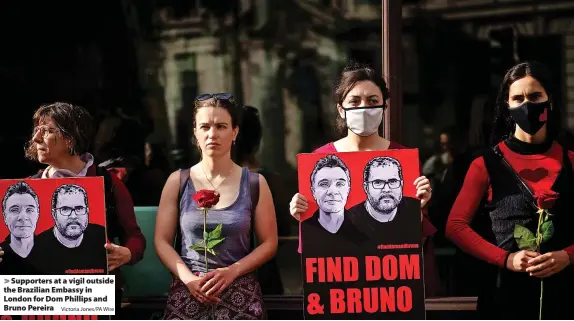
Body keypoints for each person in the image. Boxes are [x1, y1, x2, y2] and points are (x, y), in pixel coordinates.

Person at [289, 61, 439, 295]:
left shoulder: (403, 161)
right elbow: (314, 249)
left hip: (390, 288)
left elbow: (415, 243)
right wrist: (303, 214)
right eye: (355, 101)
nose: (364, 108)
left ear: (384, 107)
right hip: (340, 290)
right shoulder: (320, 160)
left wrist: (417, 210)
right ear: (341, 109)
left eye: (372, 101)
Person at [446, 61, 574, 319]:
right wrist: (505, 258)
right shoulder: (485, 164)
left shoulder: (571, 160)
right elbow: (456, 226)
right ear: (507, 105)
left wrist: (569, 255)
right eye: (518, 98)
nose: (527, 104)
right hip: (505, 297)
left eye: (535, 96)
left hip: (566, 295)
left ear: (550, 100)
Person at [155, 93, 278, 319]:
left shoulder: (254, 183)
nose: (213, 134)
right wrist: (188, 279)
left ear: (235, 132)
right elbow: (162, 241)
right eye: (205, 126)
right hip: (189, 293)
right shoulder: (178, 181)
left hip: (240, 295)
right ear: (195, 132)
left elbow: (269, 243)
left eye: (221, 126)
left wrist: (233, 271)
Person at [22, 102, 146, 318]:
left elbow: (135, 238)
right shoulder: (26, 189)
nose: (36, 139)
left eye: (48, 131)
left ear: (71, 138)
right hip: (40, 298)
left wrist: (127, 253)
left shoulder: (108, 182)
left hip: (93, 297)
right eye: (36, 132)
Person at [234, 105, 289, 296]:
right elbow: (284, 232)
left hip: (257, 279)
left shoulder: (266, 181)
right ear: (256, 141)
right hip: (265, 278)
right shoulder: (270, 180)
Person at [33, 184, 107, 273]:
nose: (73, 216)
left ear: (87, 211)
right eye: (65, 209)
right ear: (54, 214)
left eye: (79, 208)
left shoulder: (102, 236)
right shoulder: (36, 248)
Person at [348, 156, 421, 243]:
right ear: (366, 188)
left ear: (401, 184)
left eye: (393, 181)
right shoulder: (349, 220)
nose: (386, 189)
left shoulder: (415, 208)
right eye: (378, 182)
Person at [0, 181, 41, 275]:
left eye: (29, 210)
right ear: (4, 216)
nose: (23, 217)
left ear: (37, 214)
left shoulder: (54, 251)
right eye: (14, 210)